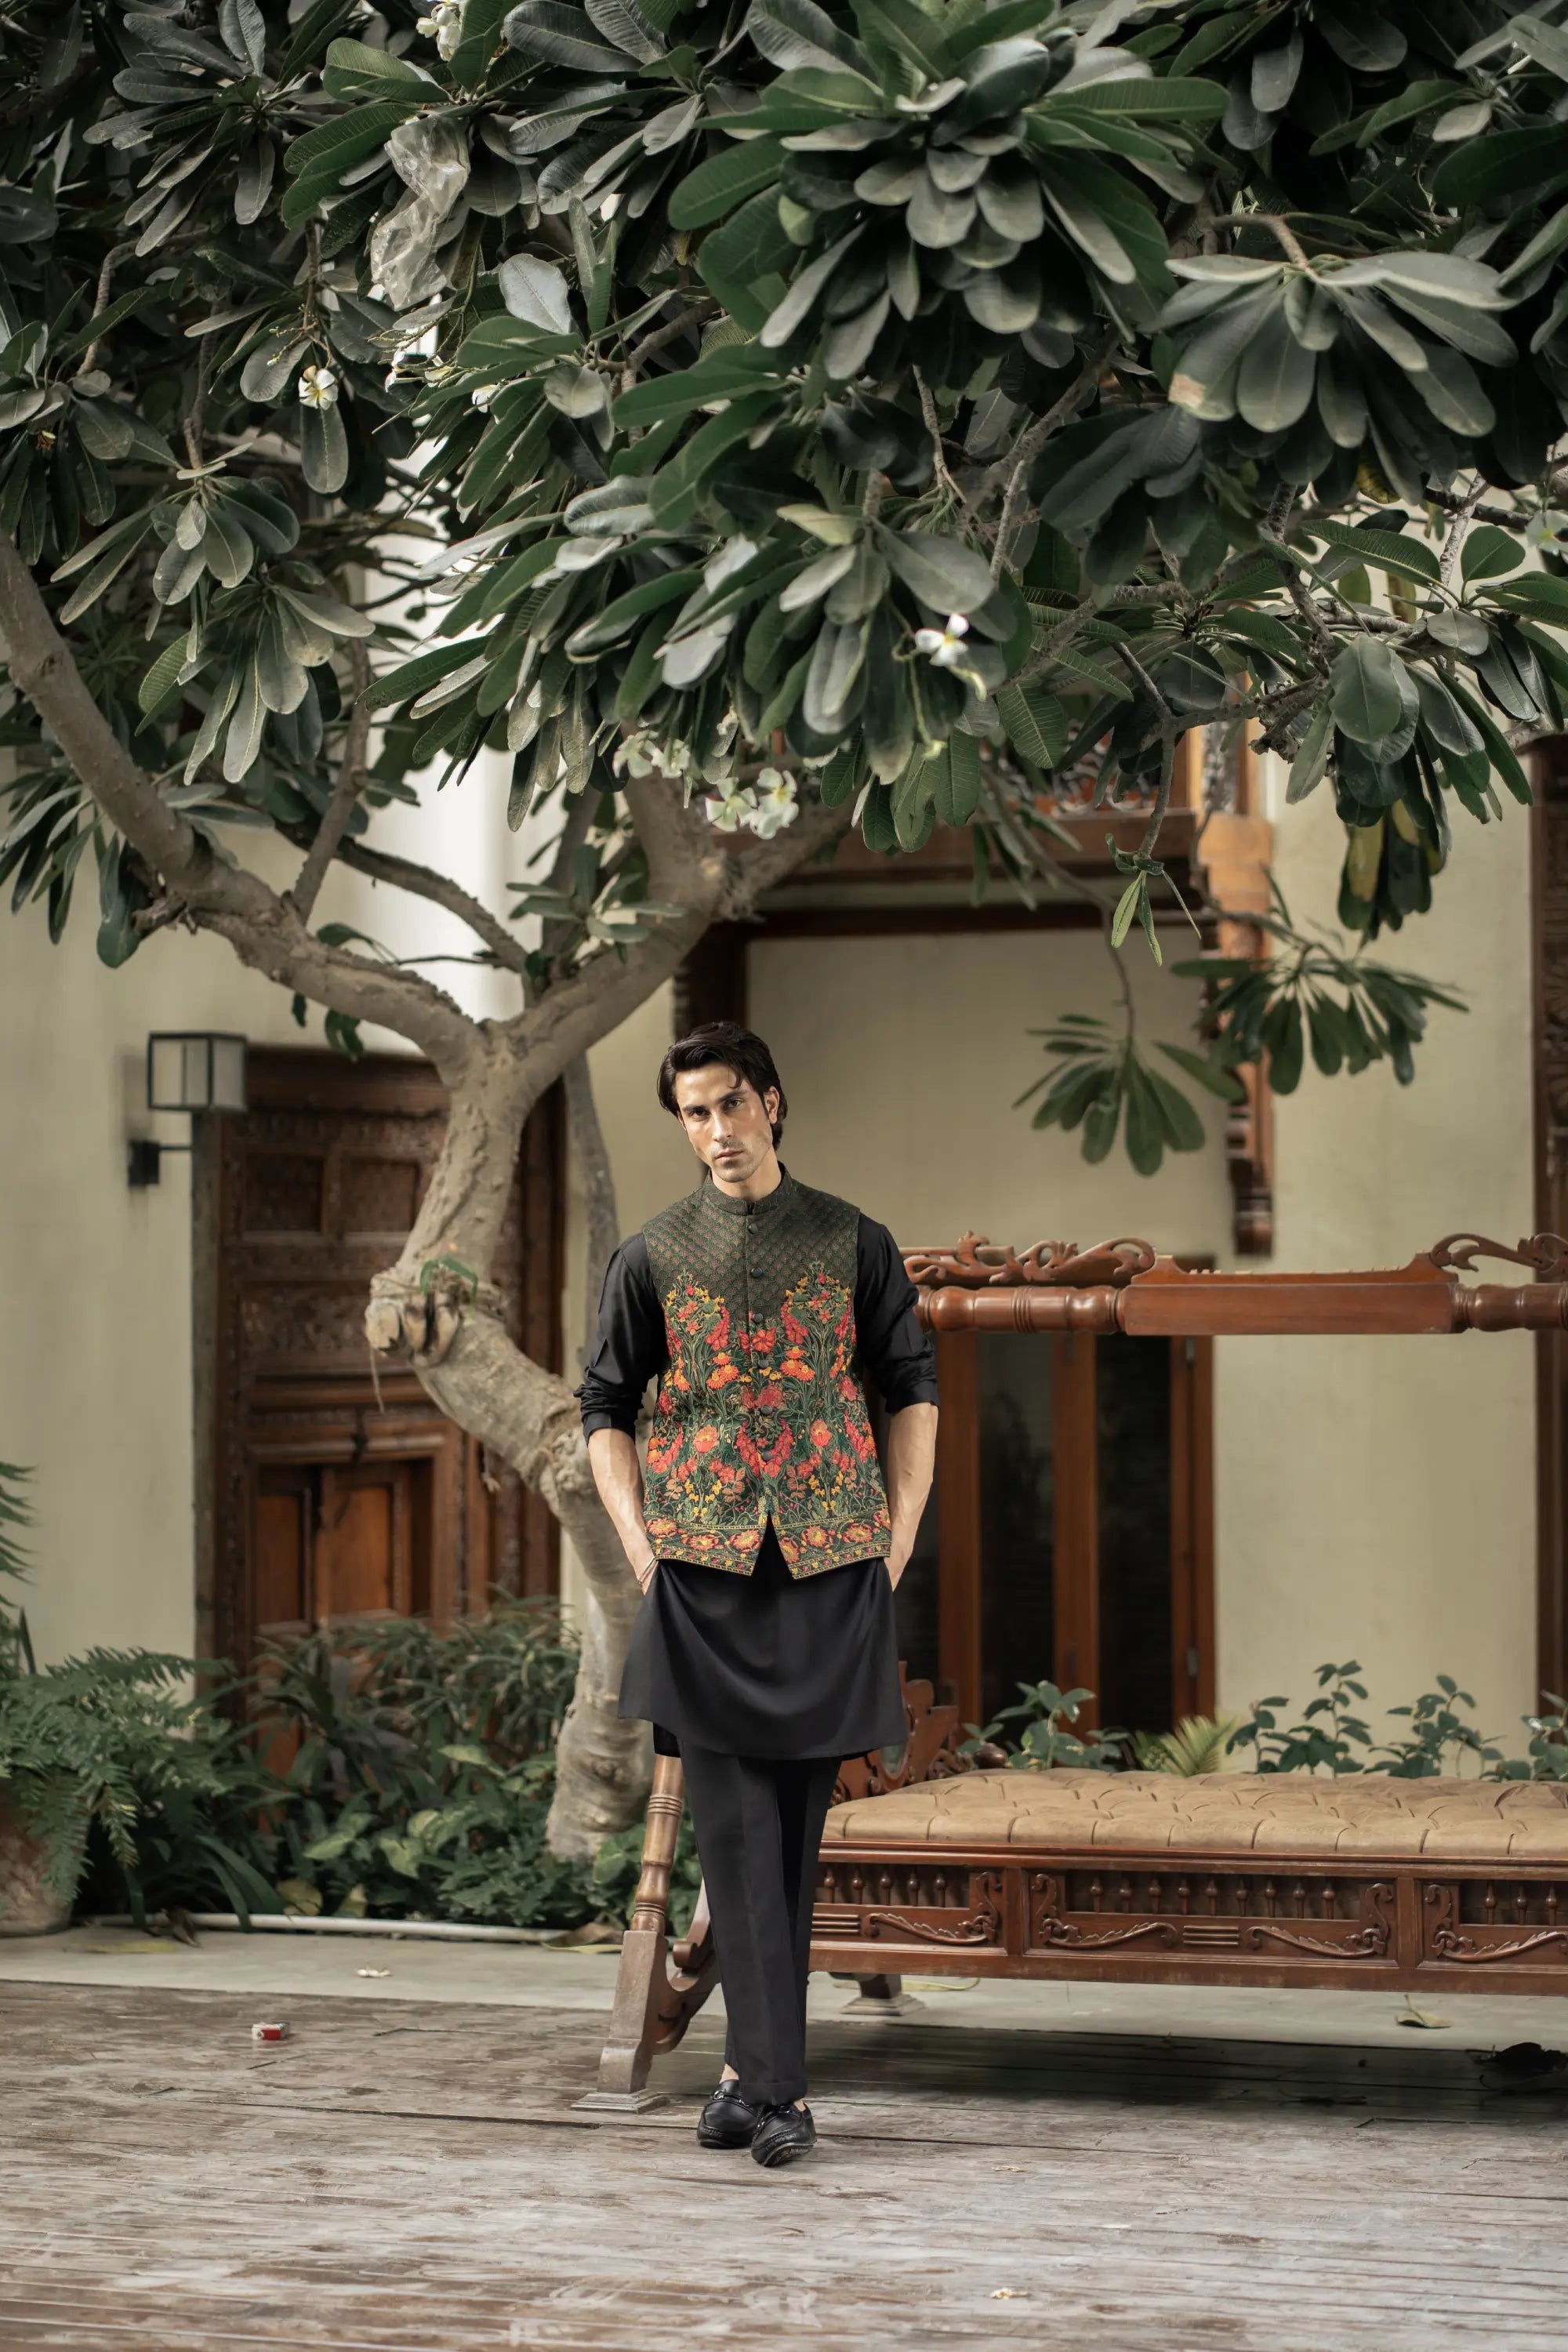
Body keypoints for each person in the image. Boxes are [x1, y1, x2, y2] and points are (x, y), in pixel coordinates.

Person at [576, 1021, 938, 2168]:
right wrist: (642, 1548)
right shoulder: (649, 1256)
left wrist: (897, 1538)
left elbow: (912, 1384)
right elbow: (604, 1407)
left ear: (771, 1103)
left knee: (790, 1836)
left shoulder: (854, 1241)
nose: (717, 1131)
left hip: (831, 1565)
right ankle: (780, 2093)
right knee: (732, 1833)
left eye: (731, 1104)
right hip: (702, 1573)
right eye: (695, 1113)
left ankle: (747, 2082)